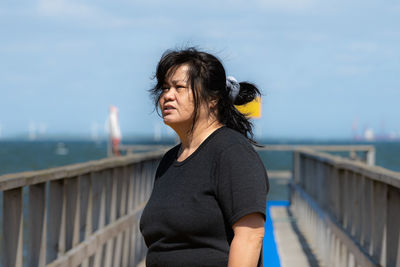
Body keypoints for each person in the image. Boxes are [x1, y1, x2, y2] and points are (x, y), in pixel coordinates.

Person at [139, 48, 269, 267]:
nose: (168, 95)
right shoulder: (170, 160)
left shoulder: (231, 152)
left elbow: (250, 237)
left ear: (213, 99)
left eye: (179, 87)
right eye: (165, 88)